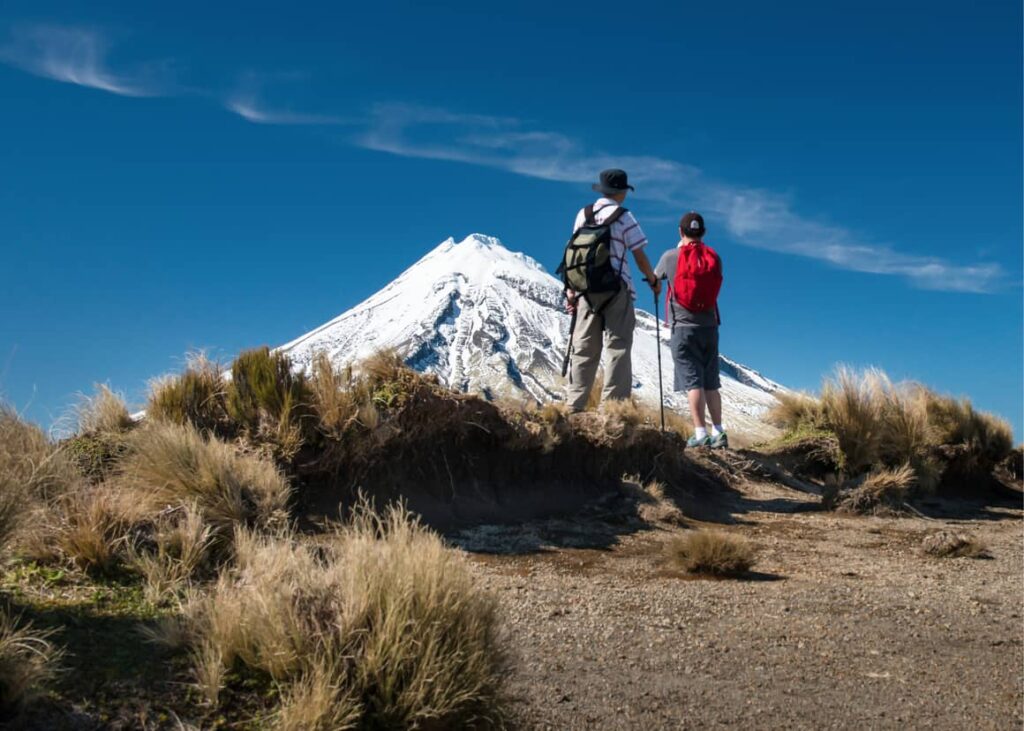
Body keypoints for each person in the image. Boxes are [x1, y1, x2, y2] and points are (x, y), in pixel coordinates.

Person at [564, 169, 660, 412]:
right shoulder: (625, 217)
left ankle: (574, 406)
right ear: (621, 192)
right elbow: (639, 255)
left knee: (584, 349)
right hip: (616, 289)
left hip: (585, 290)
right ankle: (612, 411)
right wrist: (653, 280)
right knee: (617, 347)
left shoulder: (583, 214)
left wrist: (570, 289)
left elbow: (573, 253)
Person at [654, 211, 727, 448]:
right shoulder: (713, 258)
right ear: (703, 232)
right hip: (710, 327)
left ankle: (699, 433)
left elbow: (655, 280)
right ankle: (718, 432)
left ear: (680, 231)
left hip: (683, 328)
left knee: (693, 382)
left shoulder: (670, 257)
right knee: (711, 382)